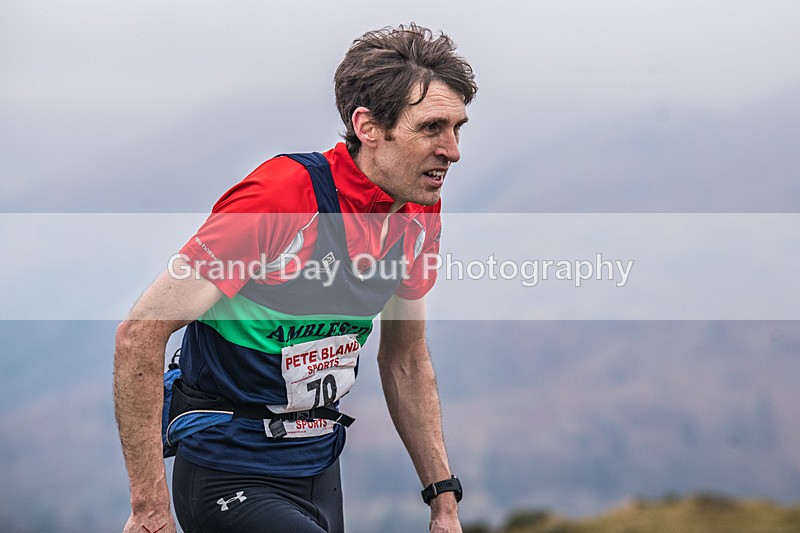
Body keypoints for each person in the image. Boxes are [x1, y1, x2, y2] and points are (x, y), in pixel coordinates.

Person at [114, 23, 477, 533]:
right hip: (226, 466)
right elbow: (140, 333)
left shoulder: (417, 215)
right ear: (368, 126)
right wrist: (149, 507)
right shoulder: (282, 198)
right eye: (432, 128)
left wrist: (443, 499)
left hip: (319, 465)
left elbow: (406, 358)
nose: (453, 150)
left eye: (458, 127)